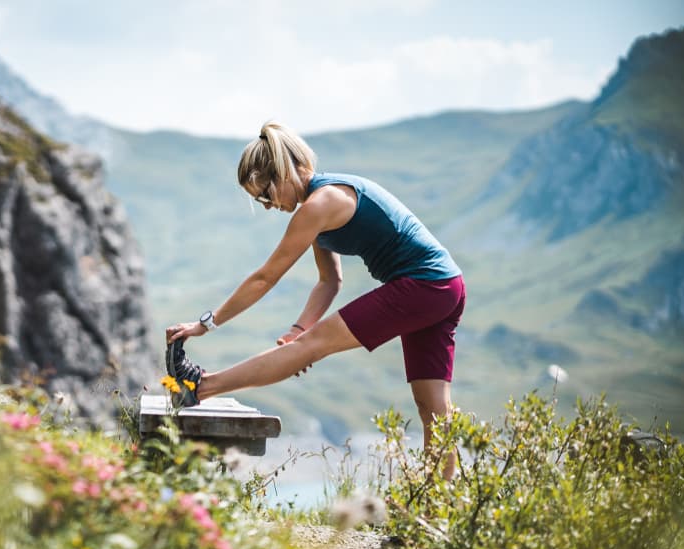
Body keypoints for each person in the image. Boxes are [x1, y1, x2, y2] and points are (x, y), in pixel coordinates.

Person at [165, 121, 465, 479]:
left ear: (284, 173)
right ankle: (443, 510)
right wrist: (299, 330)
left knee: (315, 346)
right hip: (446, 285)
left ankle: (200, 386)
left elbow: (265, 277)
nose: (266, 205)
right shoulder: (316, 202)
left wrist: (204, 324)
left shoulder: (320, 204)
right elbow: (329, 281)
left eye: (265, 194)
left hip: (424, 285)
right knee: (432, 407)